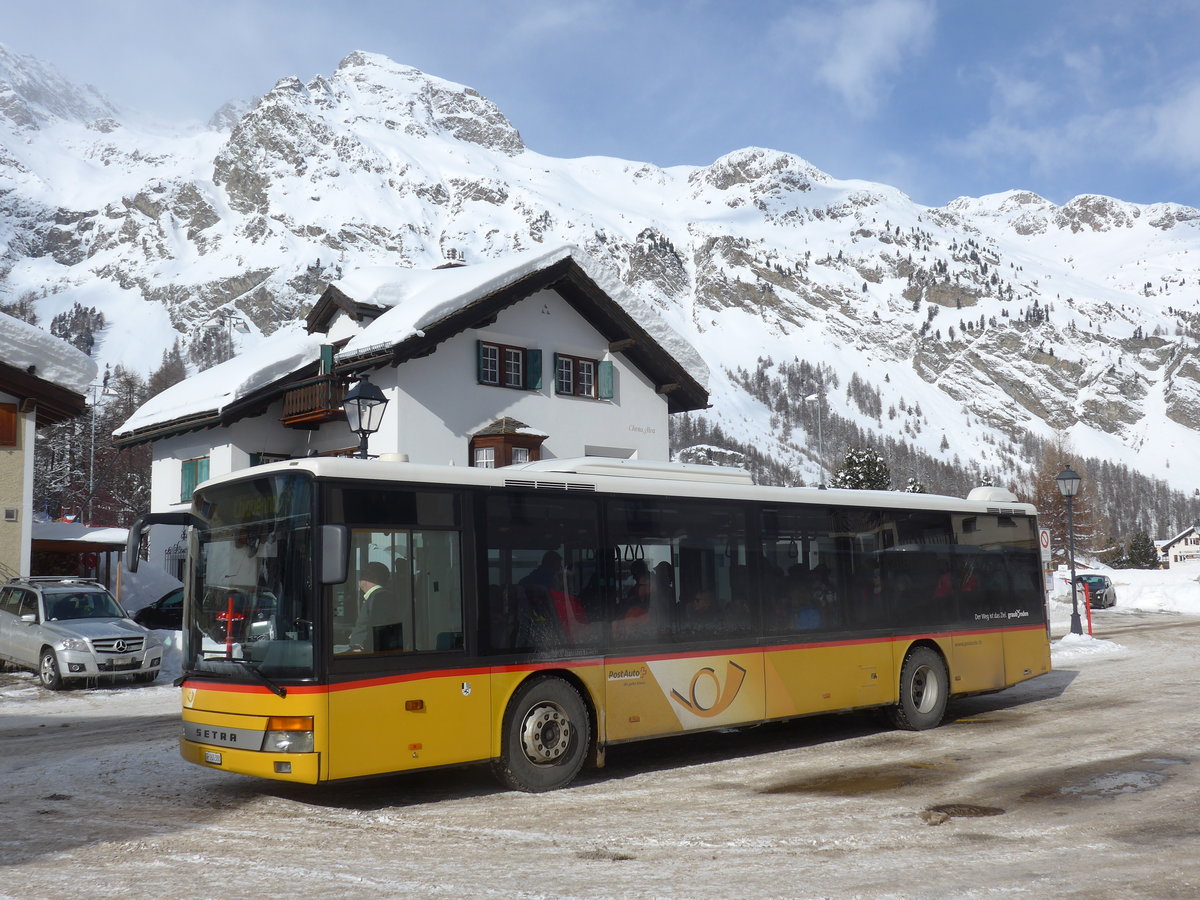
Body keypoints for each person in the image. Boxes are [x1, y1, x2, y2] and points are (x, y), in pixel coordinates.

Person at [349, 561, 403, 651]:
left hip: (366, 652)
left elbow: (379, 628)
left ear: (366, 581)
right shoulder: (376, 596)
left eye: (361, 577)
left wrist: (364, 646)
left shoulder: (381, 596)